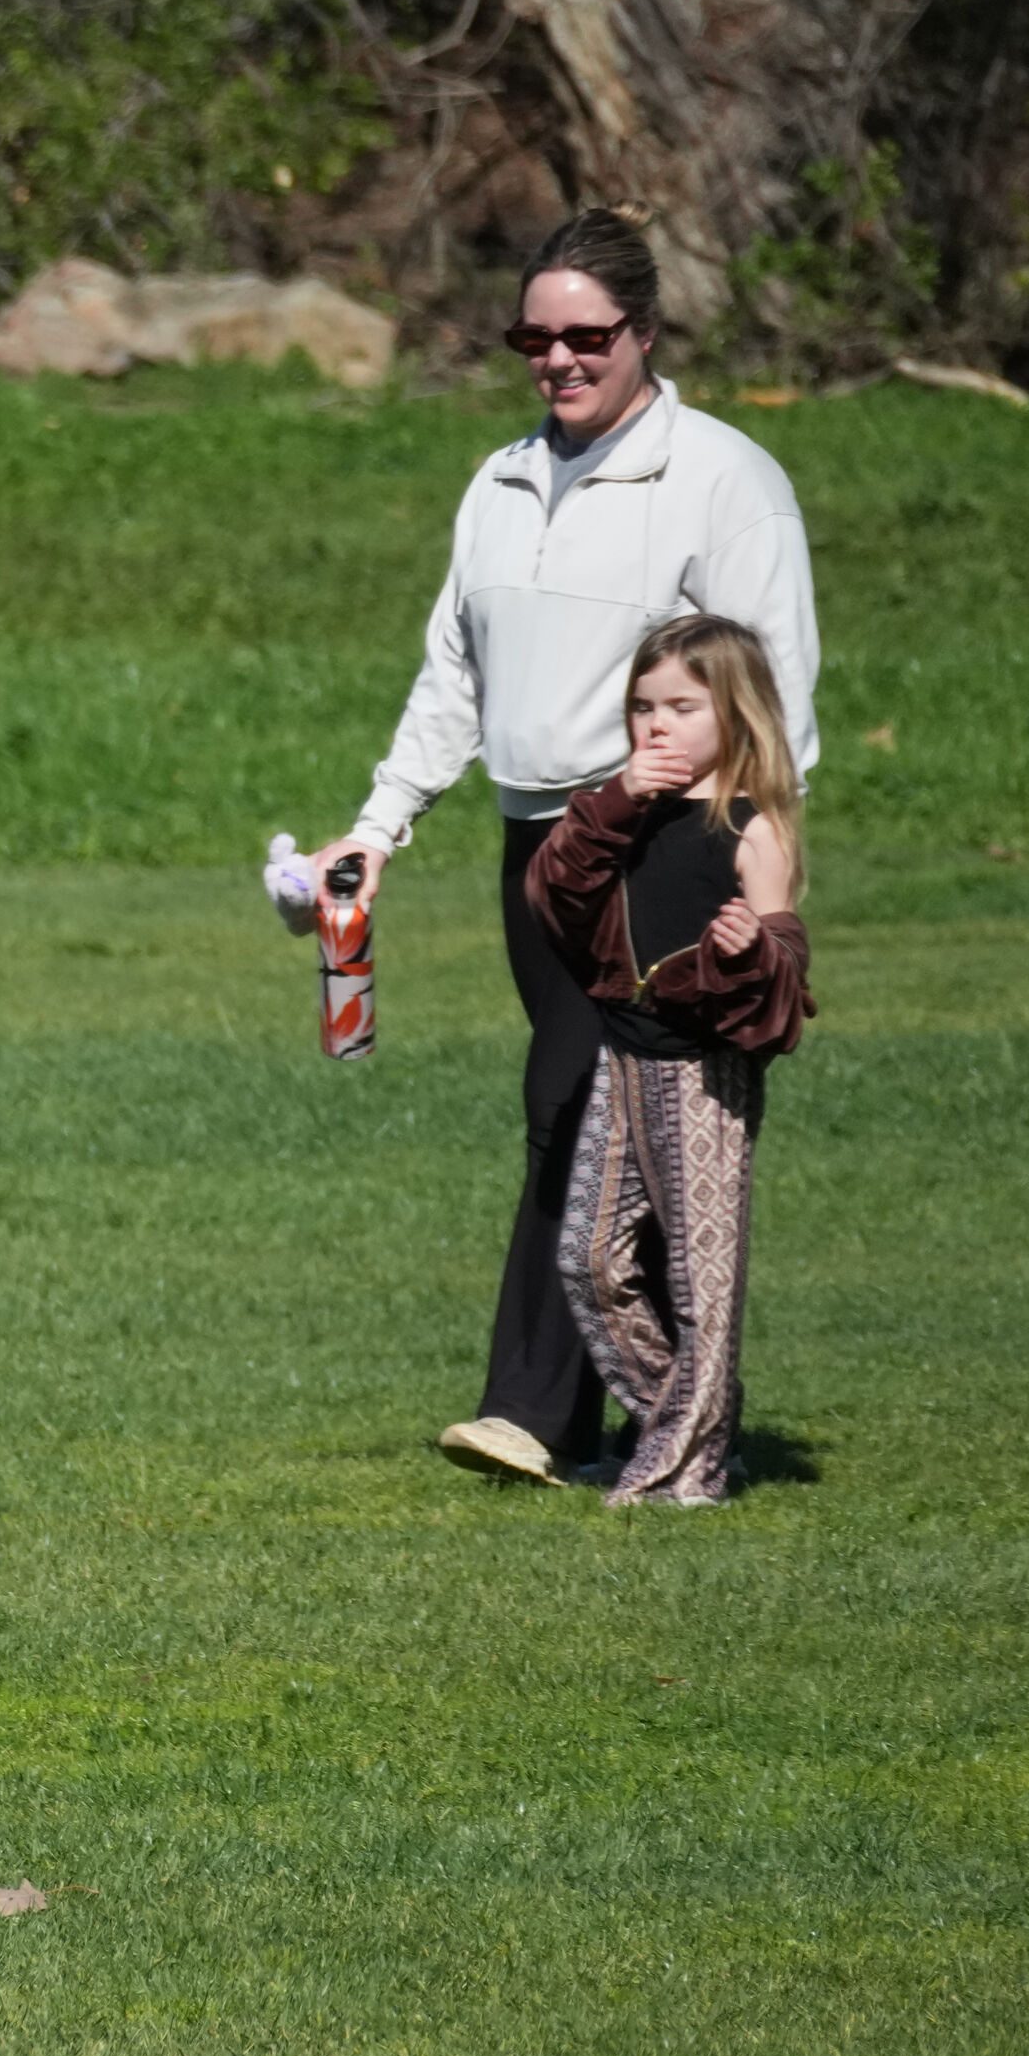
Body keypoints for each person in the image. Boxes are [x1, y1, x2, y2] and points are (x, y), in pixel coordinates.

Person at [307, 207, 816, 1487]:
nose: (559, 359)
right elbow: (455, 674)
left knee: (594, 1102)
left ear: (646, 331)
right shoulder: (500, 482)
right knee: (591, 1109)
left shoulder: (723, 478)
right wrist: (380, 822)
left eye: (588, 335)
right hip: (542, 842)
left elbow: (775, 694)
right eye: (533, 338)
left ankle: (543, 1411)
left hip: (670, 847)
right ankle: (646, 1412)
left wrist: (757, 860)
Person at [525, 618, 812, 1506]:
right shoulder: (626, 811)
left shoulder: (754, 829)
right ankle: (692, 1426)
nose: (658, 725)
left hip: (702, 1077)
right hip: (621, 1055)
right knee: (588, 1261)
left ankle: (687, 1473)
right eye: (643, 707)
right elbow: (555, 890)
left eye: (683, 707)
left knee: (699, 1280)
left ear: (736, 711)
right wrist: (616, 799)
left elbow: (784, 979)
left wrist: (746, 953)